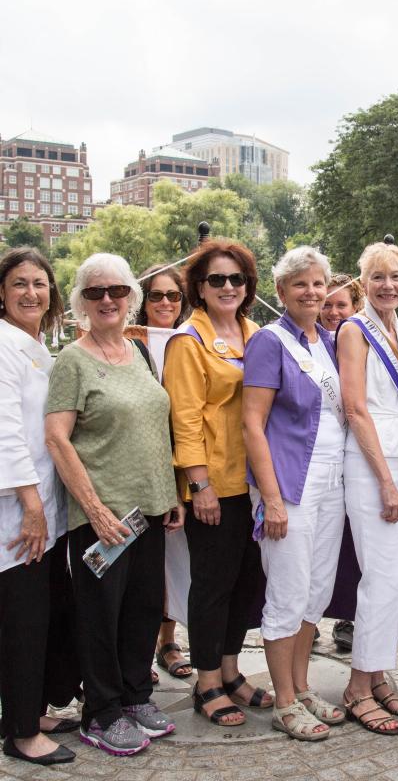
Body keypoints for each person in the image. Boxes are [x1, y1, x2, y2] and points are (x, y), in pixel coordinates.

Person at [46, 253, 179, 756]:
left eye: (117, 291)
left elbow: (152, 425)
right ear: (81, 300)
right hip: (102, 516)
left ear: (131, 297)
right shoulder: (73, 361)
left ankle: (134, 695)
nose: (107, 300)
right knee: (100, 613)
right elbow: (58, 440)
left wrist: (167, 496)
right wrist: (95, 509)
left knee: (143, 609)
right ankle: (100, 711)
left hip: (147, 509)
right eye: (96, 292)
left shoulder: (138, 352)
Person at [243, 247, 348, 741]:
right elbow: (252, 424)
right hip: (290, 484)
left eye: (318, 283)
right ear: (281, 292)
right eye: (299, 284)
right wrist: (272, 497)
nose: (311, 291)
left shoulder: (329, 341)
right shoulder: (270, 341)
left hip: (333, 485)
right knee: (286, 592)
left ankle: (302, 686)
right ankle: (284, 702)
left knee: (317, 590)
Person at [162, 238, 268, 727]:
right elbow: (184, 418)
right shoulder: (189, 340)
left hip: (256, 482)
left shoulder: (256, 333)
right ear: (199, 288)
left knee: (248, 582)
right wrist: (198, 484)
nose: (228, 287)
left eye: (236, 279)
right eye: (216, 280)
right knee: (212, 586)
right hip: (217, 485)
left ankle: (231, 671)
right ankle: (207, 681)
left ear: (248, 286)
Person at [338, 240, 398, 735]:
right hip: (375, 466)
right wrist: (387, 482)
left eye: (394, 276)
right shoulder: (355, 330)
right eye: (377, 277)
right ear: (361, 282)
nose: (387, 285)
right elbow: (355, 409)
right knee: (381, 578)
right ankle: (356, 688)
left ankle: (377, 672)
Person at [0, 248, 77, 766]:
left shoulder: (37, 346)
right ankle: (23, 732)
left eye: (40, 284)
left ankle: (32, 710)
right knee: (23, 621)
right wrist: (30, 504)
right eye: (19, 284)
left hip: (45, 510)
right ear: (2, 293)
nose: (31, 292)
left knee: (49, 614)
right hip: (18, 512)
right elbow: (5, 430)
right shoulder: (3, 344)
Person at [133, 265, 193, 683]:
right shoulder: (124, 341)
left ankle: (167, 640)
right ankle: (136, 645)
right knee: (140, 563)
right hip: (139, 467)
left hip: (185, 462)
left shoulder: (190, 339)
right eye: (156, 296)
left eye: (173, 295)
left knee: (178, 558)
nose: (166, 303)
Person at [320, 273, 366, 651]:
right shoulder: (311, 345)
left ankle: (348, 617)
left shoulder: (361, 342)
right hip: (322, 460)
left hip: (358, 453)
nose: (333, 312)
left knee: (352, 543)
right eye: (327, 305)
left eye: (341, 305)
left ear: (355, 307)